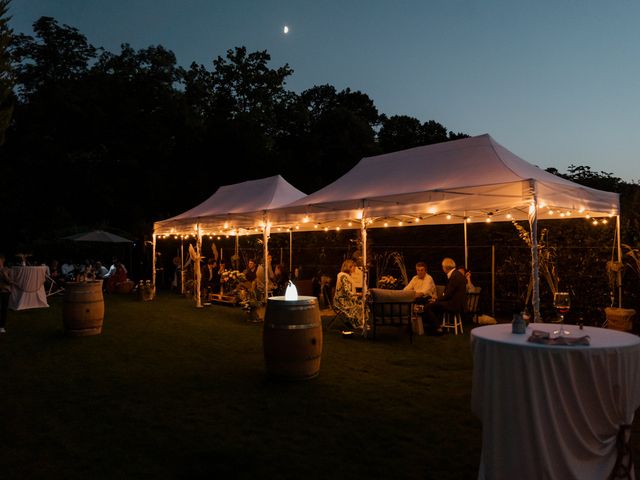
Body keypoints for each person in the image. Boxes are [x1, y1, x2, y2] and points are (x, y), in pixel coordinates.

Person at [422, 257, 467, 335]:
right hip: (458, 303)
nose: (442, 268)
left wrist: (436, 299)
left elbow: (448, 295)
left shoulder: (454, 276)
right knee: (434, 305)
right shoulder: (457, 274)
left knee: (428, 306)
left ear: (445, 267)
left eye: (442, 267)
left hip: (454, 304)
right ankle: (436, 326)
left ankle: (438, 328)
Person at [333, 259, 363, 330]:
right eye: (353, 267)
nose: (355, 269)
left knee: (361, 303)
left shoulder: (345, 275)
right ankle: (357, 324)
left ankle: (358, 323)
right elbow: (347, 291)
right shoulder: (344, 276)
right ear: (349, 267)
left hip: (344, 299)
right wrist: (359, 294)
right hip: (341, 301)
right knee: (359, 305)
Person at [0, 253, 13, 333]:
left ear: (3, 261)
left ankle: (1, 326)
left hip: (5, 292)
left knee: (3, 309)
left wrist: (3, 272)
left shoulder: (8, 270)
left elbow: (10, 282)